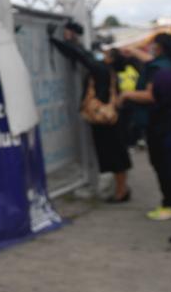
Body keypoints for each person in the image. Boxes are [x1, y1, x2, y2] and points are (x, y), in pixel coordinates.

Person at [51, 21, 131, 202]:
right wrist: (74, 40)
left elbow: (82, 57)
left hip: (105, 120)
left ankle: (121, 191)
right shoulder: (108, 70)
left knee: (115, 156)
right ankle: (122, 189)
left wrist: (63, 40)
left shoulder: (102, 69)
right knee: (118, 155)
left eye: (107, 52)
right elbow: (85, 55)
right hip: (112, 119)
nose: (103, 53)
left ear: (111, 59)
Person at [120, 33, 171, 220]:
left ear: (158, 47)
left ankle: (170, 205)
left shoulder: (158, 69)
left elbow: (151, 96)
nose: (150, 47)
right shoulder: (166, 63)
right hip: (167, 122)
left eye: (152, 45)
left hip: (160, 124)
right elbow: (151, 61)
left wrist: (127, 95)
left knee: (163, 165)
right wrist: (134, 51)